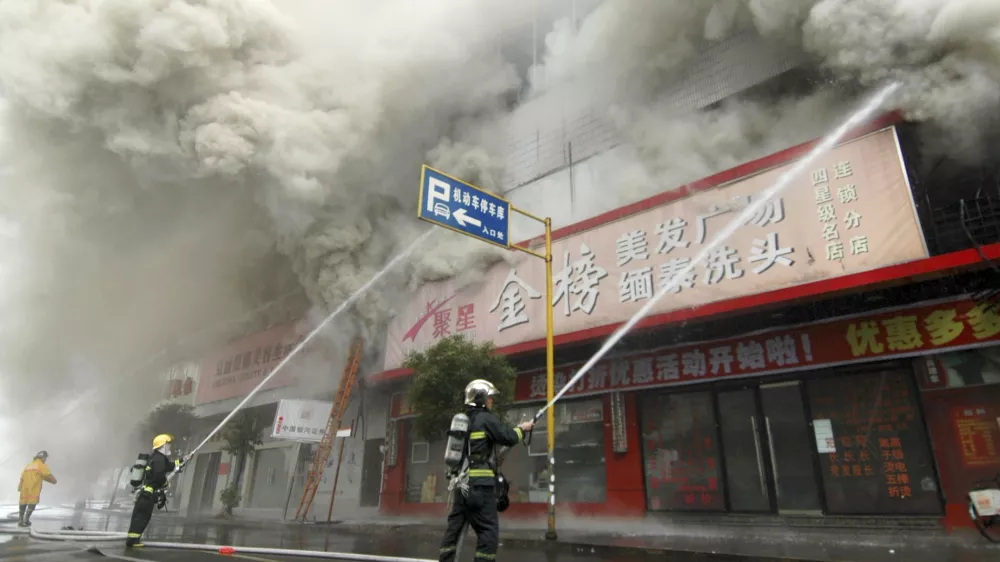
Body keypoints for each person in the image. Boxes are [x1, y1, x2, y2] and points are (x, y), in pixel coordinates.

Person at [438, 379, 534, 562]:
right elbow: (508, 436)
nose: (492, 401)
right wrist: (523, 428)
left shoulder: (463, 421)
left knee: (454, 530)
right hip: (480, 488)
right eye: (489, 397)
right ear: (481, 398)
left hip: (461, 487)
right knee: (488, 531)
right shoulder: (485, 419)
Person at [126, 434, 187, 548]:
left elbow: (169, 466)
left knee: (139, 516)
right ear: (162, 445)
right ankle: (133, 541)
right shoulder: (159, 459)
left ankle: (132, 539)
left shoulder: (156, 458)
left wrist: (183, 460)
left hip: (145, 494)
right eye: (168, 444)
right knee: (143, 517)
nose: (170, 446)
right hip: (148, 495)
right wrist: (165, 483)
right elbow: (159, 476)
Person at [18, 451, 57, 527]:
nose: (45, 459)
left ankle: (20, 520)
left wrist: (20, 487)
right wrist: (54, 481)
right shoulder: (41, 465)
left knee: (23, 502)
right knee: (32, 503)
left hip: (24, 488)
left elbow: (22, 477)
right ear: (42, 458)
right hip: (33, 487)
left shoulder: (28, 465)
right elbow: (47, 475)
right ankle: (26, 520)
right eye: (45, 458)